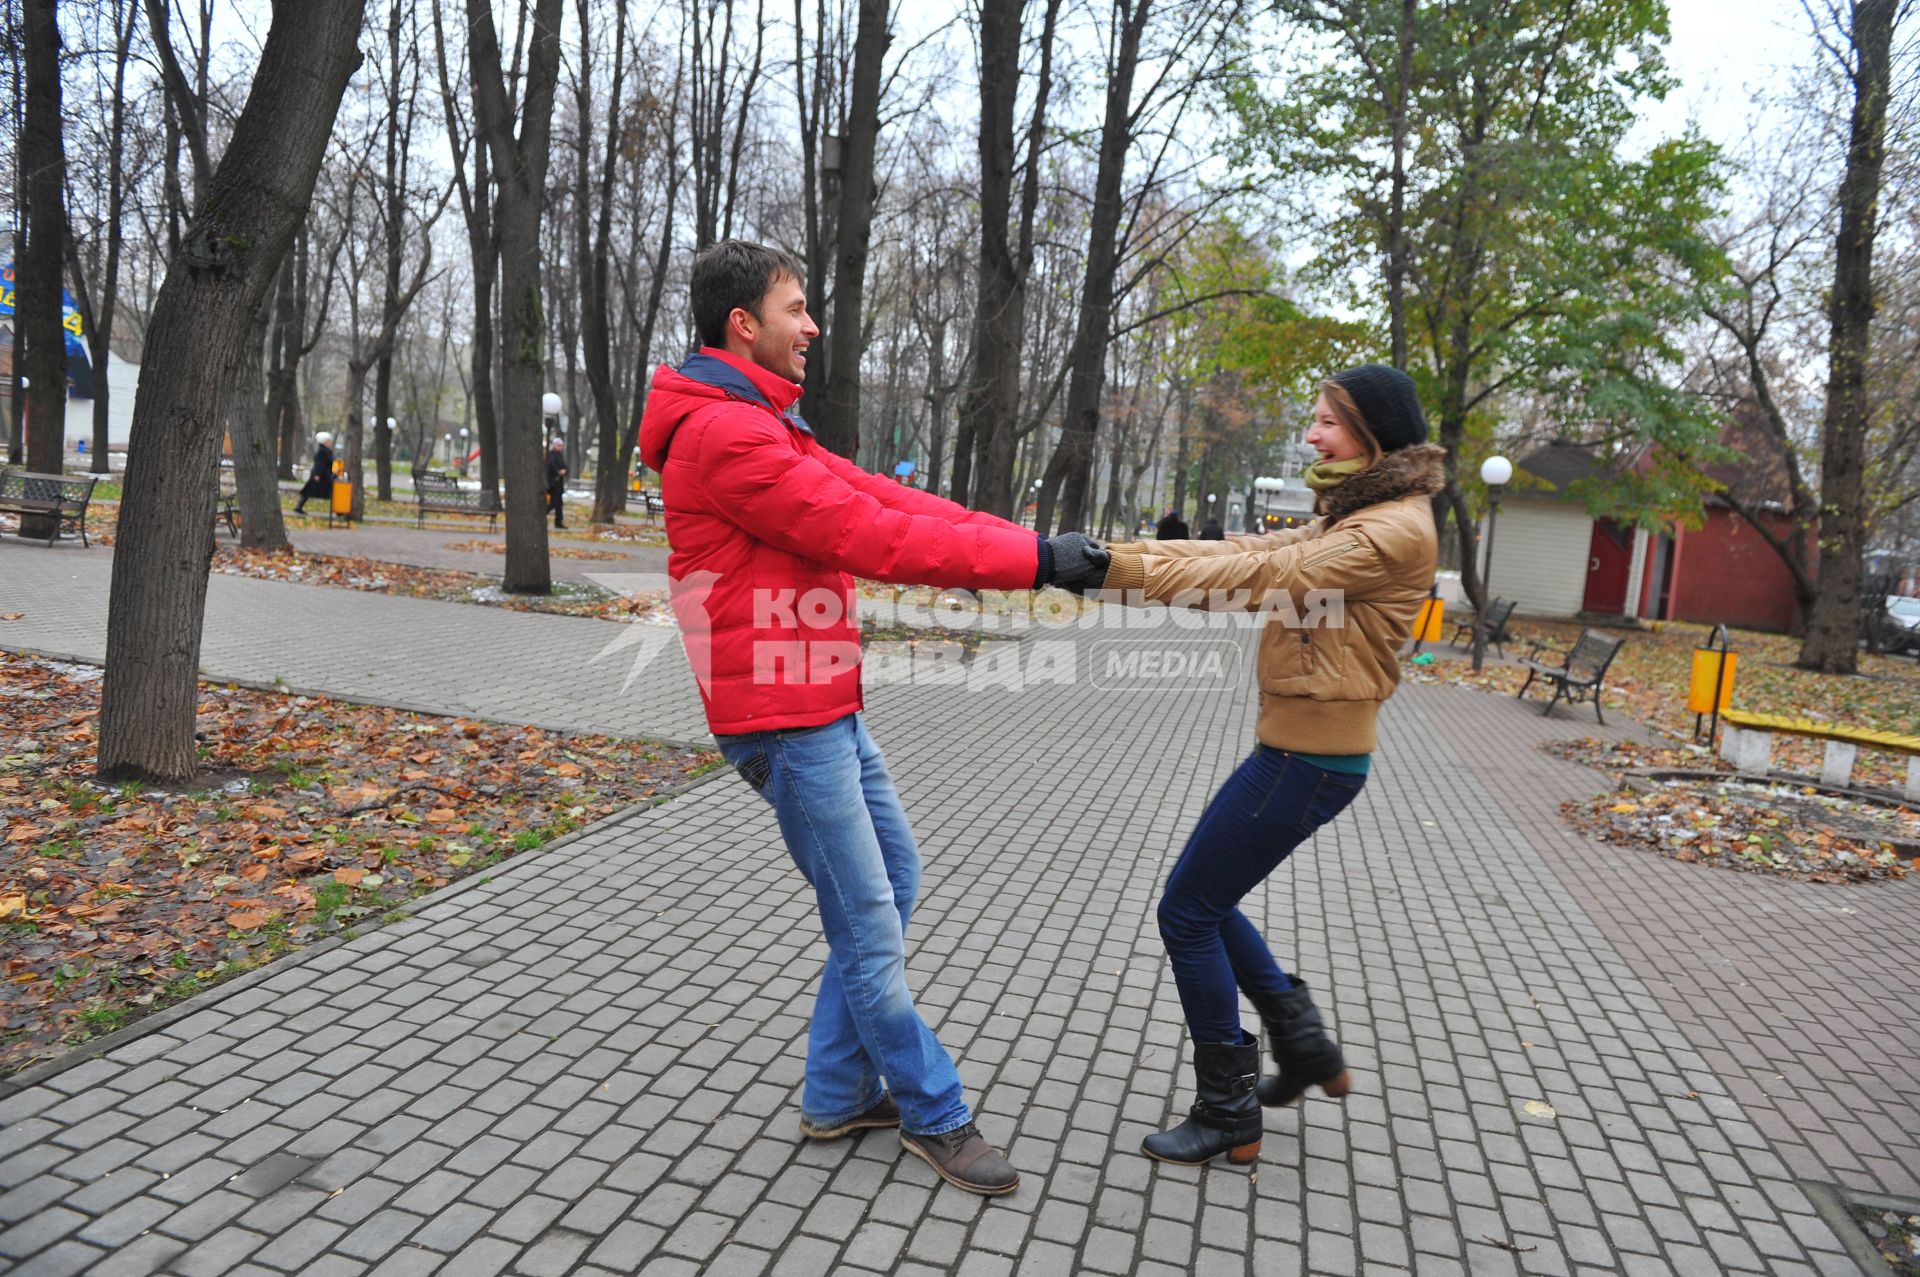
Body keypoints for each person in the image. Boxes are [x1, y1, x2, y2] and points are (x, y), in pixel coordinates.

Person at [637, 239, 1102, 1196]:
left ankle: (837, 1091)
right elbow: (869, 535)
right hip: (781, 716)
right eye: (796, 309)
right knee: (872, 927)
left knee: (890, 884)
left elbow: (885, 496)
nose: (811, 327)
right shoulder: (730, 436)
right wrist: (1032, 568)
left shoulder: (762, 420)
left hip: (822, 701)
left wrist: (1029, 546)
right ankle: (934, 1110)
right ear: (743, 324)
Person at [1071, 364, 1444, 1167]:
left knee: (1187, 911)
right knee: (1205, 898)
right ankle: (1302, 1044)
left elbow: (1261, 576)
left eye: (1328, 423)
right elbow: (1250, 547)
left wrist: (1115, 573)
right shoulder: (1364, 511)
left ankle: (1229, 1107)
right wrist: (1115, 555)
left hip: (1311, 756)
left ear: (1374, 432)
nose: (1312, 434)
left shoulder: (1389, 529)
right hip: (1303, 751)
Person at [295, 432, 333, 513]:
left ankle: (339, 510)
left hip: (324, 475)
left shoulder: (325, 451)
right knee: (309, 491)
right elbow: (319, 464)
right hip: (321, 475)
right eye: (329, 441)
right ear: (324, 441)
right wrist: (317, 474)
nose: (330, 442)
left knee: (310, 491)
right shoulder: (322, 452)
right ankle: (298, 507)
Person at [546, 436, 569, 529]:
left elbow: (565, 467)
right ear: (555, 445)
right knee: (554, 502)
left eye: (562, 445)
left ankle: (558, 522)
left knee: (559, 503)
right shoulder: (551, 455)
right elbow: (551, 466)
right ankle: (543, 512)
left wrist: (565, 471)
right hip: (553, 482)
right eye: (559, 445)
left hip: (559, 482)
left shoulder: (560, 456)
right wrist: (558, 472)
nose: (561, 447)